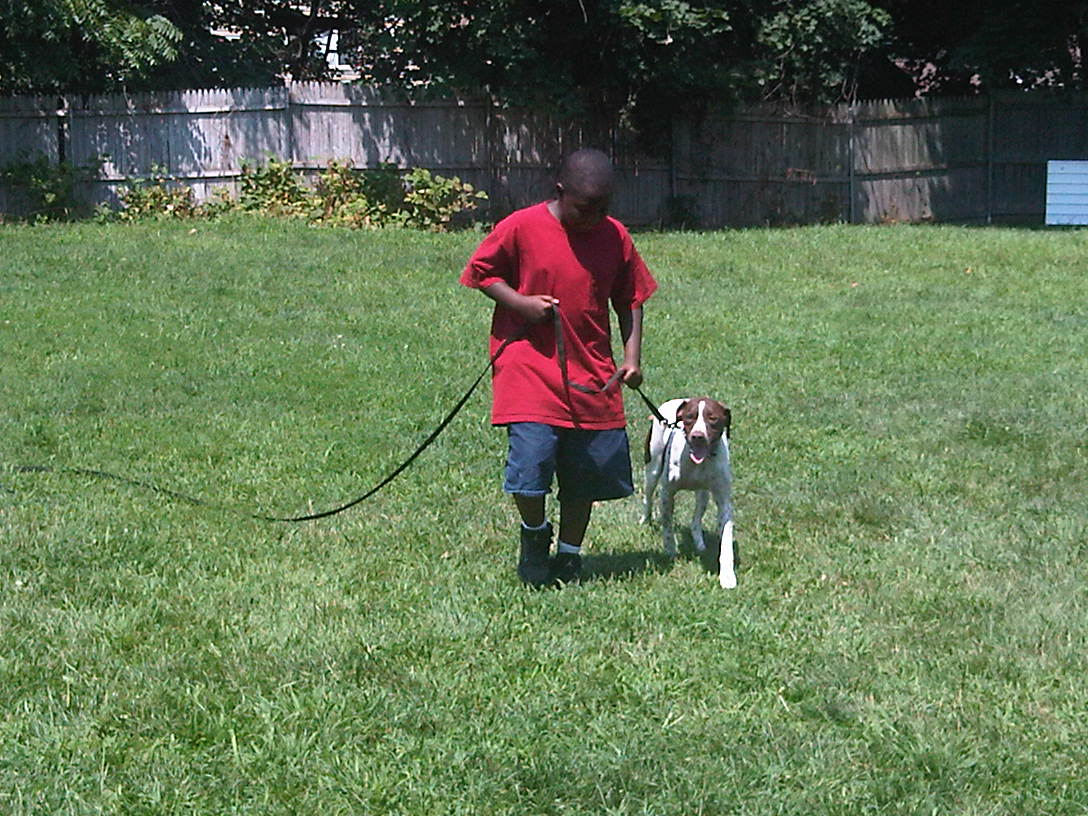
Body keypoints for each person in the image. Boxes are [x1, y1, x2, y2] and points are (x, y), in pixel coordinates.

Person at [459, 148, 657, 586]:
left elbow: (631, 298)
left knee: (583, 476)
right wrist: (520, 303)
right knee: (529, 468)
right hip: (528, 366)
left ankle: (569, 554)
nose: (594, 218)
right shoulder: (522, 227)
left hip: (591, 373)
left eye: (604, 208)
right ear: (560, 191)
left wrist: (631, 359)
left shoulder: (615, 236)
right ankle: (534, 536)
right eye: (585, 208)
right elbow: (482, 272)